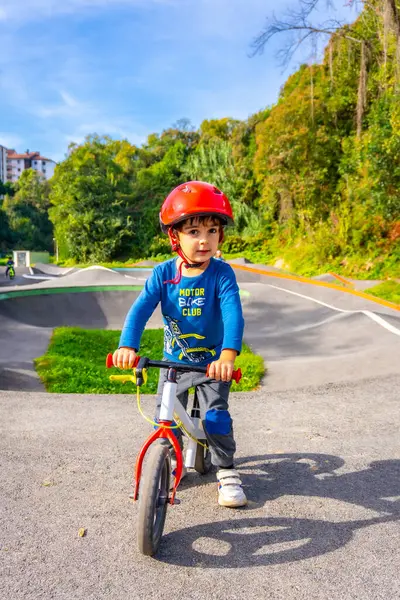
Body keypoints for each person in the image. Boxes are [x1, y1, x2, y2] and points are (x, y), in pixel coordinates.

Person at [112, 181, 247, 508]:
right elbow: (140, 309)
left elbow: (233, 314)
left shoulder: (221, 274)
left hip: (212, 364)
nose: (205, 240)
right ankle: (167, 460)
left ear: (221, 236)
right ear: (175, 236)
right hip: (173, 363)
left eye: (213, 230)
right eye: (194, 232)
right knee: (165, 417)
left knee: (214, 417)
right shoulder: (163, 275)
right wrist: (127, 346)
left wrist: (227, 355)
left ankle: (226, 469)